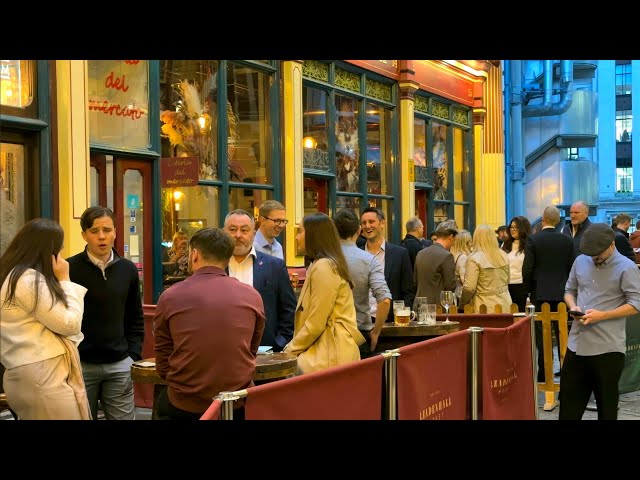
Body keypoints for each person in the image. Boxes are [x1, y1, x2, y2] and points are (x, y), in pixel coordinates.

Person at [154, 227, 265, 420]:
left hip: (184, 402)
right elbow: (251, 349)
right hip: (234, 403)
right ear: (228, 258)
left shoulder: (170, 296)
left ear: (194, 254)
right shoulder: (252, 296)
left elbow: (163, 359)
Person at [0, 218, 91, 419]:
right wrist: (65, 280)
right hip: (44, 376)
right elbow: (70, 324)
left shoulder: (11, 275)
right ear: (47, 252)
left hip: (28, 373)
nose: (61, 257)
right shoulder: (27, 279)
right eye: (59, 251)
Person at [67, 206, 144, 420]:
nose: (102, 236)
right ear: (84, 235)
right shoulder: (68, 268)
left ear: (115, 232)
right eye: (94, 231)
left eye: (107, 230)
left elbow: (135, 317)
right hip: (81, 365)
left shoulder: (128, 269)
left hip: (119, 364)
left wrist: (132, 357)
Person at [560, 223, 640, 420]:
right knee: (568, 408)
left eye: (599, 253)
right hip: (576, 345)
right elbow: (570, 291)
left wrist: (602, 315)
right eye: (591, 253)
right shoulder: (581, 261)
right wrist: (573, 306)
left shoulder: (627, 268)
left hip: (607, 349)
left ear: (612, 245)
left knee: (607, 409)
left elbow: (636, 304)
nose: (594, 257)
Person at [284, 212, 365, 374]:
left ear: (314, 235)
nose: (297, 237)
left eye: (300, 231)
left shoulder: (324, 267)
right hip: (333, 352)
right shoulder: (325, 264)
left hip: (330, 353)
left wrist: (289, 351)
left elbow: (316, 321)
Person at [223, 209, 295, 351]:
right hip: (223, 352)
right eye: (232, 230)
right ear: (223, 232)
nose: (238, 235)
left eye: (244, 230)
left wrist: (278, 344)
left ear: (254, 234)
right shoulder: (215, 265)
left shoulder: (275, 266)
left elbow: (288, 310)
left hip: (265, 351)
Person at [522, 205, 575, 382]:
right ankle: (566, 369)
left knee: (542, 335)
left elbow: (527, 268)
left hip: (540, 292)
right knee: (562, 333)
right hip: (562, 293)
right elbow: (571, 267)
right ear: (558, 221)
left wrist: (528, 290)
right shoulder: (567, 241)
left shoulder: (533, 240)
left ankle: (544, 372)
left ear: (543, 219)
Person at [333, 208, 391, 358]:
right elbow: (384, 300)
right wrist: (376, 332)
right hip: (358, 332)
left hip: (329, 335)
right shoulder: (369, 260)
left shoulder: (323, 260)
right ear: (359, 231)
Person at [359, 207, 415, 322]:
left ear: (382, 223)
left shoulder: (400, 254)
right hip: (360, 323)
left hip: (389, 322)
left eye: (371, 221)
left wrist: (402, 316)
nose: (367, 226)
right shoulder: (356, 254)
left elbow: (408, 291)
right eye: (364, 223)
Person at [460, 224, 513, 313]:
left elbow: (469, 288)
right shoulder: (503, 255)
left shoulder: (474, 258)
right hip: (505, 303)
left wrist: (462, 303)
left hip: (483, 306)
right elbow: (507, 280)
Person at [413, 220, 458, 309]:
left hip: (419, 305)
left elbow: (415, 281)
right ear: (451, 237)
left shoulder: (421, 253)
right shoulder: (447, 256)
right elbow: (450, 286)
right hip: (437, 308)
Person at [501, 216, 531, 312]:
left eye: (516, 227)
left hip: (522, 286)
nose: (513, 230)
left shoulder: (529, 245)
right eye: (511, 227)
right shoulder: (505, 245)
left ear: (523, 228)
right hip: (506, 286)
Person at [450, 229, 472, 306]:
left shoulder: (453, 255)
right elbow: (465, 280)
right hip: (462, 296)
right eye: (470, 242)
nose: (471, 244)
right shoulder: (463, 258)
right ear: (465, 244)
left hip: (456, 293)